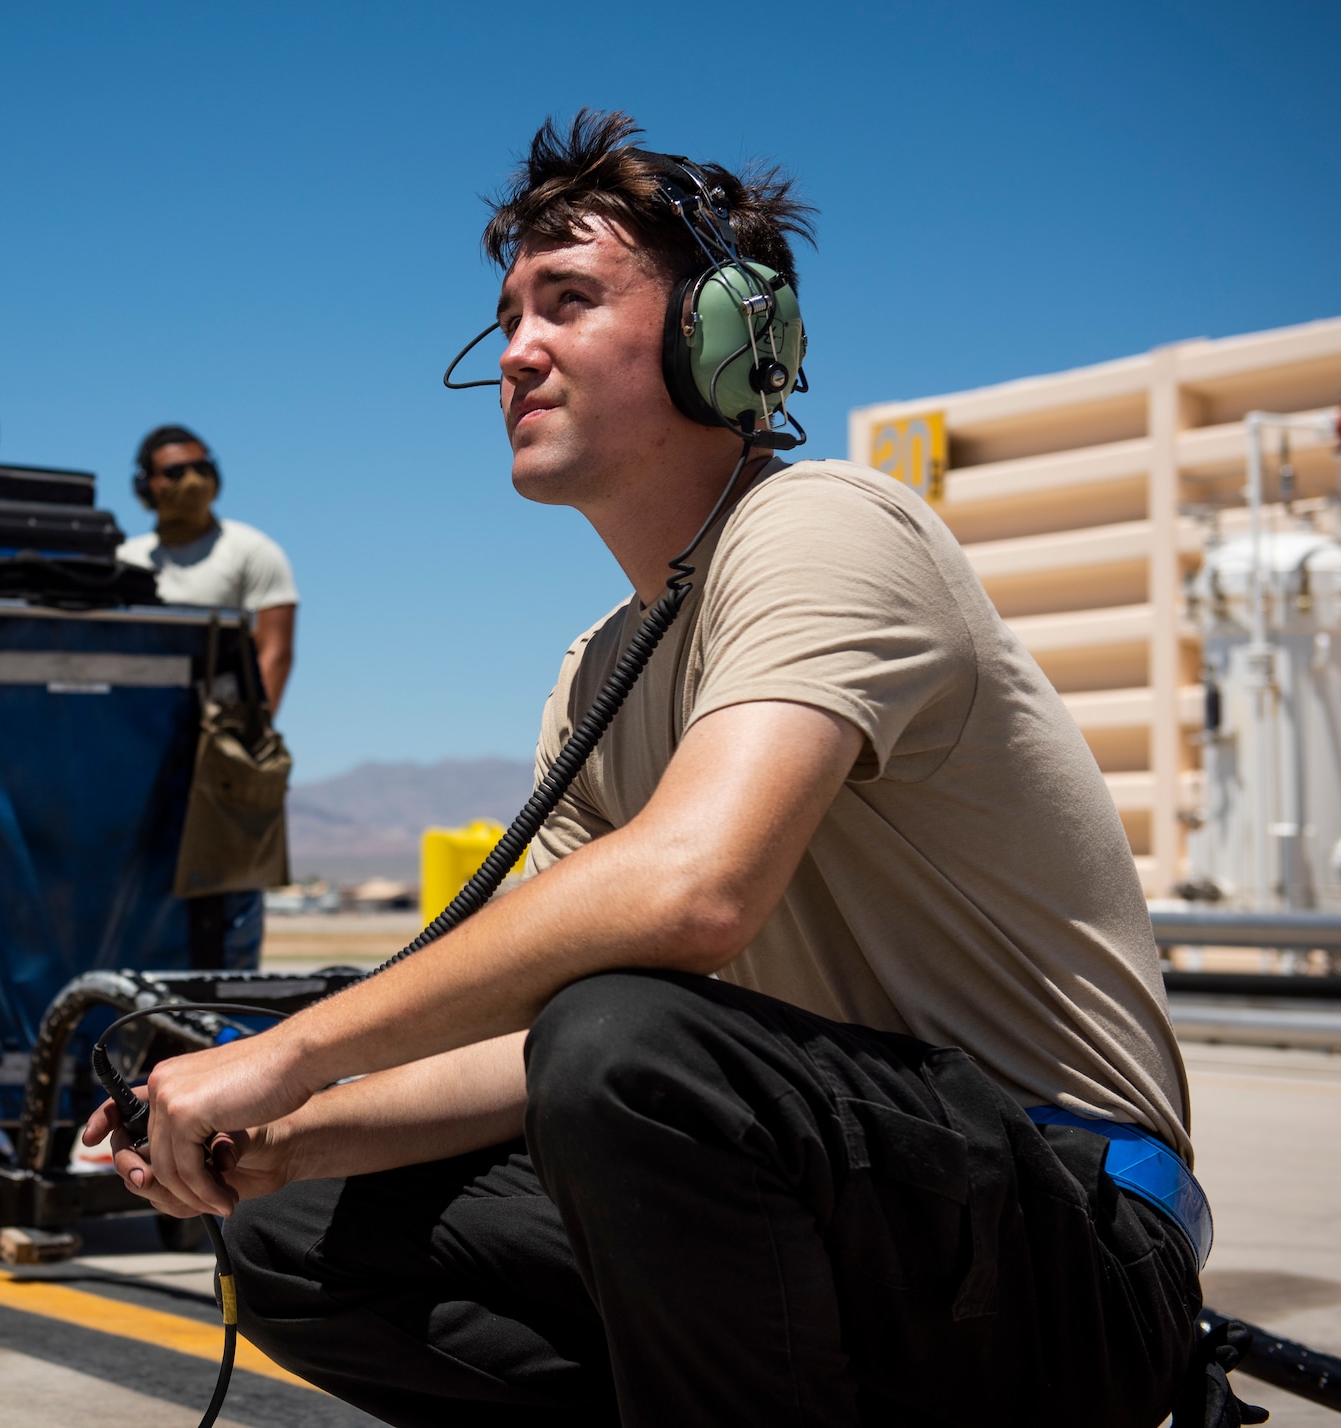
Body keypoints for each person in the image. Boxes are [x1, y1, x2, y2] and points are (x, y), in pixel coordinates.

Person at [87, 111, 1223, 1427]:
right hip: (845, 1213)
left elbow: (695, 892)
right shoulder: (596, 672)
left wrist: (287, 1053)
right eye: (508, 315)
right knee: (300, 1235)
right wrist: (269, 1143)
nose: (517, 351)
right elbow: (529, 1047)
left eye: (568, 301)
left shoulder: (827, 525)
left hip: (1066, 1239)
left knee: (624, 1042)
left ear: (728, 339)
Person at [119, 425, 298, 710]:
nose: (192, 482)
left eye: (201, 469)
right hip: (139, 721)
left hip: (218, 725)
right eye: (175, 473)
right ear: (145, 485)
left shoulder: (252, 552)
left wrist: (253, 733)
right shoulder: (125, 561)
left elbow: (275, 653)